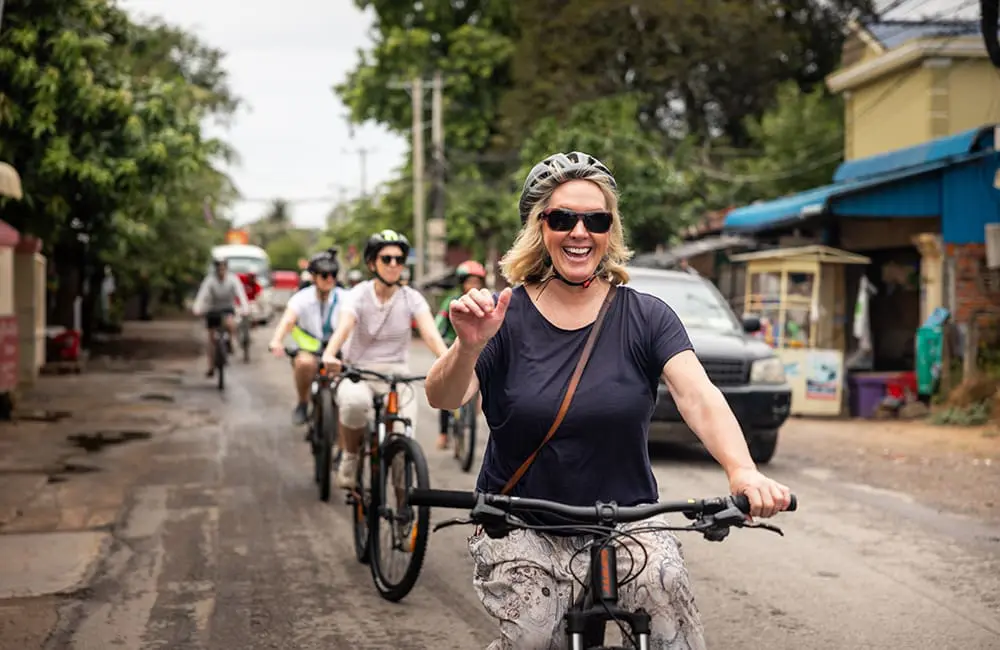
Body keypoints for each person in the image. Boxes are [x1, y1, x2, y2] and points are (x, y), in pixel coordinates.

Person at [423, 151, 793, 650]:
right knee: (534, 637)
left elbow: (698, 396)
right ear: (539, 227)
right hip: (519, 522)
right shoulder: (502, 316)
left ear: (609, 230)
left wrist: (743, 471)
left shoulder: (647, 317)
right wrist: (467, 345)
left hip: (626, 520)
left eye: (595, 220)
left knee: (666, 594)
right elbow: (444, 396)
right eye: (562, 218)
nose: (580, 232)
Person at [320, 229, 449, 489]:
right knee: (354, 403)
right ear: (372, 264)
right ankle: (350, 456)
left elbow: (431, 335)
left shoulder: (411, 297)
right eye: (386, 258)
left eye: (399, 259)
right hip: (359, 372)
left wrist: (450, 361)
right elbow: (344, 327)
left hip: (396, 374)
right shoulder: (358, 294)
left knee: (403, 435)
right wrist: (329, 354)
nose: (393, 264)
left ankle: (403, 502)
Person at [268, 248, 346, 425]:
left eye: (333, 275)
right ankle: (303, 403)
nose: (329, 279)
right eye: (324, 275)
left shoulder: (346, 298)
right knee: (304, 364)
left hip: (338, 350)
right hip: (310, 349)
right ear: (313, 277)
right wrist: (277, 341)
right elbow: (288, 320)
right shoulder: (301, 298)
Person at [433, 260, 487, 450]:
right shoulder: (452, 301)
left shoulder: (485, 302)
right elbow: (438, 323)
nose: (473, 286)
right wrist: (441, 342)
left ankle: (473, 406)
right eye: (470, 281)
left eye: (477, 282)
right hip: (452, 347)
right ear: (462, 283)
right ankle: (443, 433)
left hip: (476, 351)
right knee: (446, 390)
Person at [192, 257, 250, 377]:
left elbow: (241, 294)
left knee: (230, 323)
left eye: (223, 268)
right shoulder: (210, 280)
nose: (221, 271)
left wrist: (245, 308)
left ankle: (231, 342)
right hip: (212, 308)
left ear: (226, 268)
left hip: (228, 307)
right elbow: (202, 295)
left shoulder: (233, 279)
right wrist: (197, 308)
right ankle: (210, 366)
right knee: (211, 338)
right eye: (219, 269)